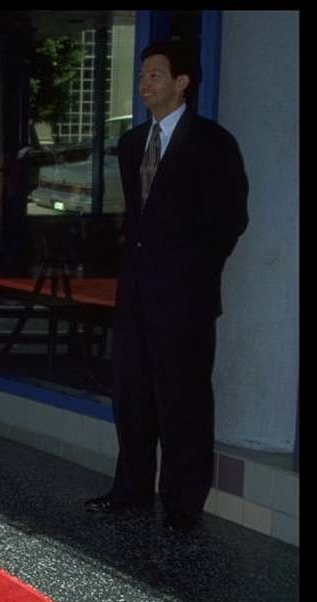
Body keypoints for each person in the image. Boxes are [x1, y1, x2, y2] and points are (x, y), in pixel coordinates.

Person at [85, 40, 249, 534]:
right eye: (142, 75)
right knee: (131, 393)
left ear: (182, 82)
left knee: (183, 397)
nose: (144, 83)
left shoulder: (213, 143)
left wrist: (193, 272)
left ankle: (182, 502)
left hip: (185, 297)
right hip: (135, 293)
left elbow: (231, 219)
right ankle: (131, 489)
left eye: (155, 74)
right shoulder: (132, 143)